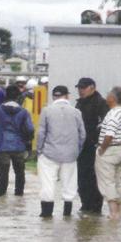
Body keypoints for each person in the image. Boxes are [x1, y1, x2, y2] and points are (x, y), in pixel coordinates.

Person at [36, 85, 86, 218]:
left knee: (48, 183)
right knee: (69, 184)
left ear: (53, 96)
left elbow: (41, 133)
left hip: (49, 153)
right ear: (67, 96)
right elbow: (82, 135)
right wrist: (77, 150)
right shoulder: (76, 112)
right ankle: (67, 214)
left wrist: (39, 150)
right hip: (70, 155)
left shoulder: (47, 111)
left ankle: (46, 214)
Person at [0, 85, 34, 197]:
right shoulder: (24, 112)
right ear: (18, 97)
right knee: (19, 172)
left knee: (3, 173)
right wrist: (28, 141)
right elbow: (30, 129)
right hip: (19, 146)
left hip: (2, 146)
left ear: (5, 95)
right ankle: (19, 194)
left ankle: (1, 194)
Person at [75, 77, 110, 214]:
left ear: (92, 87)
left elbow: (104, 125)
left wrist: (98, 143)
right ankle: (85, 204)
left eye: (83, 88)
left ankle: (96, 207)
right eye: (79, 88)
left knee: (94, 178)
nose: (80, 91)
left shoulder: (101, 103)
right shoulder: (79, 104)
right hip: (81, 147)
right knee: (82, 177)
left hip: (94, 147)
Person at [95, 86, 121, 220]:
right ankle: (120, 212)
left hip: (109, 150)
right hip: (120, 149)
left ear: (112, 98)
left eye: (108, 94)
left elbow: (109, 135)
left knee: (107, 182)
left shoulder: (113, 114)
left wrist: (102, 149)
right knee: (117, 181)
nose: (106, 96)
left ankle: (113, 213)